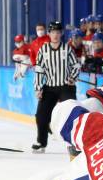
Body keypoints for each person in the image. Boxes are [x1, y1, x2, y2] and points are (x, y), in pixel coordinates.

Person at [32, 21, 80, 153]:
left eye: (58, 32)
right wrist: (38, 88)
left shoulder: (67, 48)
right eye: (53, 32)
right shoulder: (44, 49)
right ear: (49, 33)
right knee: (41, 115)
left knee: (73, 115)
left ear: (61, 34)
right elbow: (39, 70)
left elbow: (76, 65)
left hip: (66, 87)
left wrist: (73, 77)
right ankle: (41, 142)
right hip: (50, 87)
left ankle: (74, 144)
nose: (55, 35)